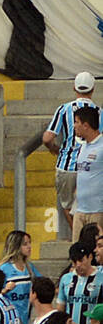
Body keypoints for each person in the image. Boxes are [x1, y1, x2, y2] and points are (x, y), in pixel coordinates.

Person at [44, 72, 96, 230]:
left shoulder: (64, 109)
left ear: (74, 87)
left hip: (67, 165)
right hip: (91, 166)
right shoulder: (99, 112)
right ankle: (90, 239)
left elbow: (47, 138)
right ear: (93, 89)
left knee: (67, 205)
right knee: (91, 207)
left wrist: (54, 149)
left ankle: (79, 238)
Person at [72, 104, 103, 239]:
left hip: (97, 211)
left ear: (86, 125)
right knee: (77, 254)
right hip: (80, 211)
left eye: (76, 122)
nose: (74, 126)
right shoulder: (82, 147)